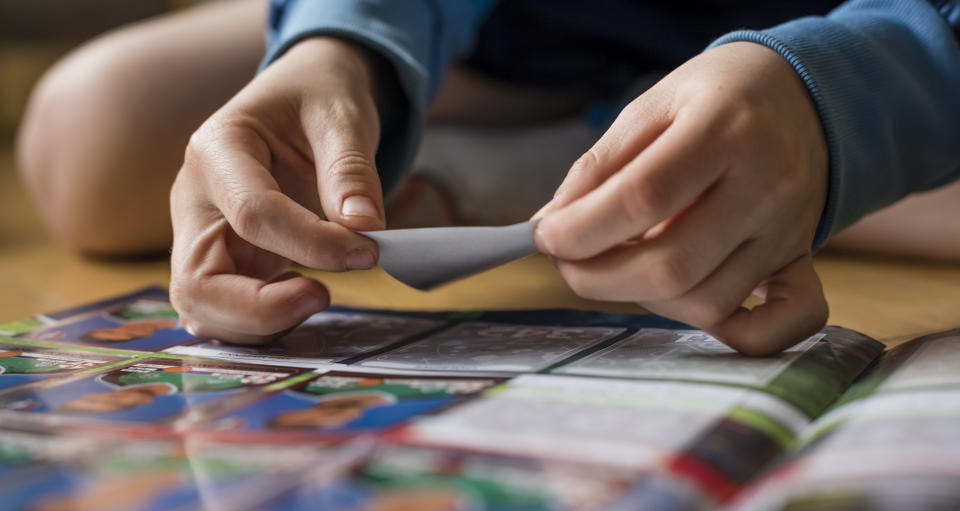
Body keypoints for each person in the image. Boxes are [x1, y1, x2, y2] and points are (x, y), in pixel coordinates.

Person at [16, 0, 960, 355]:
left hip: (873, 35)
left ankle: (677, 167)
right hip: (530, 36)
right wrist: (341, 41)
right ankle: (616, 159)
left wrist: (847, 96)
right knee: (88, 131)